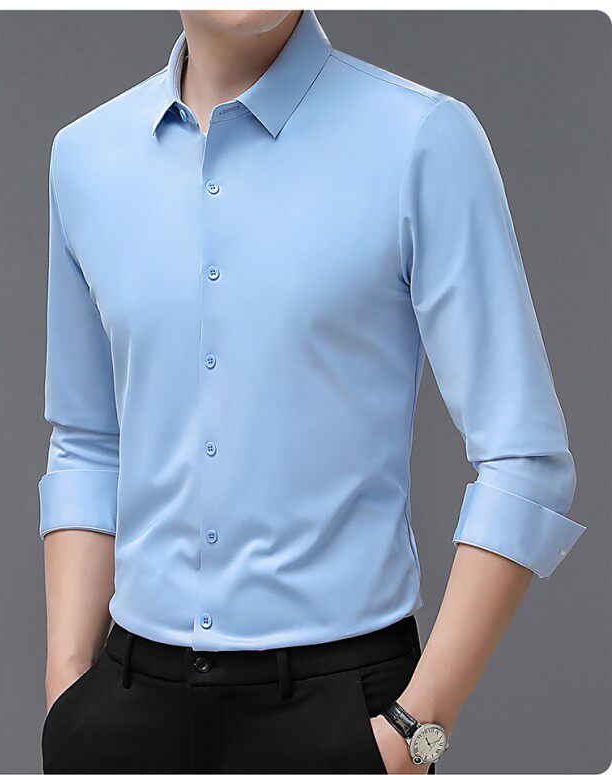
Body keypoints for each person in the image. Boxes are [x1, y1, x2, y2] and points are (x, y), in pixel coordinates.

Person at [39, 10, 585, 774]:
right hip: (123, 713)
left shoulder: (421, 140)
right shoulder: (84, 158)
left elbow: (526, 461)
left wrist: (416, 731)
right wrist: (68, 684)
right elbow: (87, 439)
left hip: (343, 716)